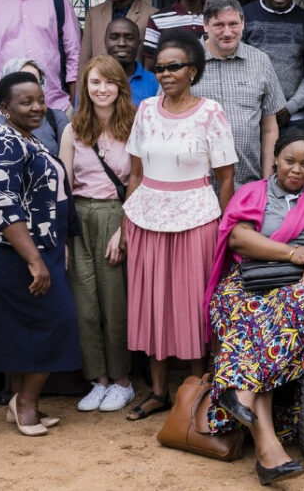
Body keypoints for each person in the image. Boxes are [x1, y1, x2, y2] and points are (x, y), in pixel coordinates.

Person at [204, 129, 304, 485]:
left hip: (298, 286)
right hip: (248, 286)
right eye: (289, 161)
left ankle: (241, 392)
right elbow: (238, 237)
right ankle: (268, 451)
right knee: (262, 323)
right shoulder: (252, 192)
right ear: (275, 159)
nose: (296, 170)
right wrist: (293, 252)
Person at [111, 32, 237, 421]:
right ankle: (159, 391)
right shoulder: (146, 109)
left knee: (193, 308)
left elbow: (226, 180)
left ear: (192, 71)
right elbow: (134, 174)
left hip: (197, 219)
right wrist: (125, 224)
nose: (164, 74)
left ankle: (196, 392)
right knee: (153, 306)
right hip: (146, 218)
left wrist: (224, 231)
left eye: (173, 67)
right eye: (159, 67)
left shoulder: (211, 112)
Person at [0, 71, 82, 437]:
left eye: (39, 99)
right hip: (11, 253)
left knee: (27, 326)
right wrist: (34, 260)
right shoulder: (3, 143)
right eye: (25, 102)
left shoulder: (25, 139)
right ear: (3, 108)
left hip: (37, 247)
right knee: (57, 322)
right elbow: (4, 205)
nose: (36, 107)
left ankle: (19, 400)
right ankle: (27, 402)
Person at [58, 55, 137, 414]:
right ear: (85, 89)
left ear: (120, 86)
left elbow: (140, 182)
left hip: (116, 216)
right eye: (94, 83)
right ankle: (98, 380)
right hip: (79, 216)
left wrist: (122, 231)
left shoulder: (135, 126)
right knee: (85, 306)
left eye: (109, 82)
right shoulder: (73, 129)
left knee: (114, 303)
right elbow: (64, 187)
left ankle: (122, 380)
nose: (101, 89)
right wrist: (62, 237)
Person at [192, 0, 286, 187]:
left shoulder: (260, 61)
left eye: (233, 24)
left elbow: (269, 127)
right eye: (219, 25)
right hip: (196, 187)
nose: (227, 32)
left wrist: (267, 181)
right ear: (205, 25)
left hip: (247, 184)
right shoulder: (187, 60)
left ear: (243, 23)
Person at [242, 0, 304, 126]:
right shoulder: (244, 16)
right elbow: (236, 65)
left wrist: (290, 107)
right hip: (252, 113)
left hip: (294, 116)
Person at [0, 58, 69, 156]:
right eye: (23, 80)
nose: (30, 87)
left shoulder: (56, 118)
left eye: (35, 82)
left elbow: (65, 165)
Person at [80, 0, 156, 70]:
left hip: (135, 85)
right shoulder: (93, 14)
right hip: (100, 85)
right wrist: (82, 87)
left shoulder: (152, 15)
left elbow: (151, 65)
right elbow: (84, 60)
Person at [104, 17, 159, 106]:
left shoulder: (155, 83)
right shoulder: (92, 81)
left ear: (138, 43)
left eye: (129, 38)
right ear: (105, 42)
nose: (122, 43)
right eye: (114, 38)